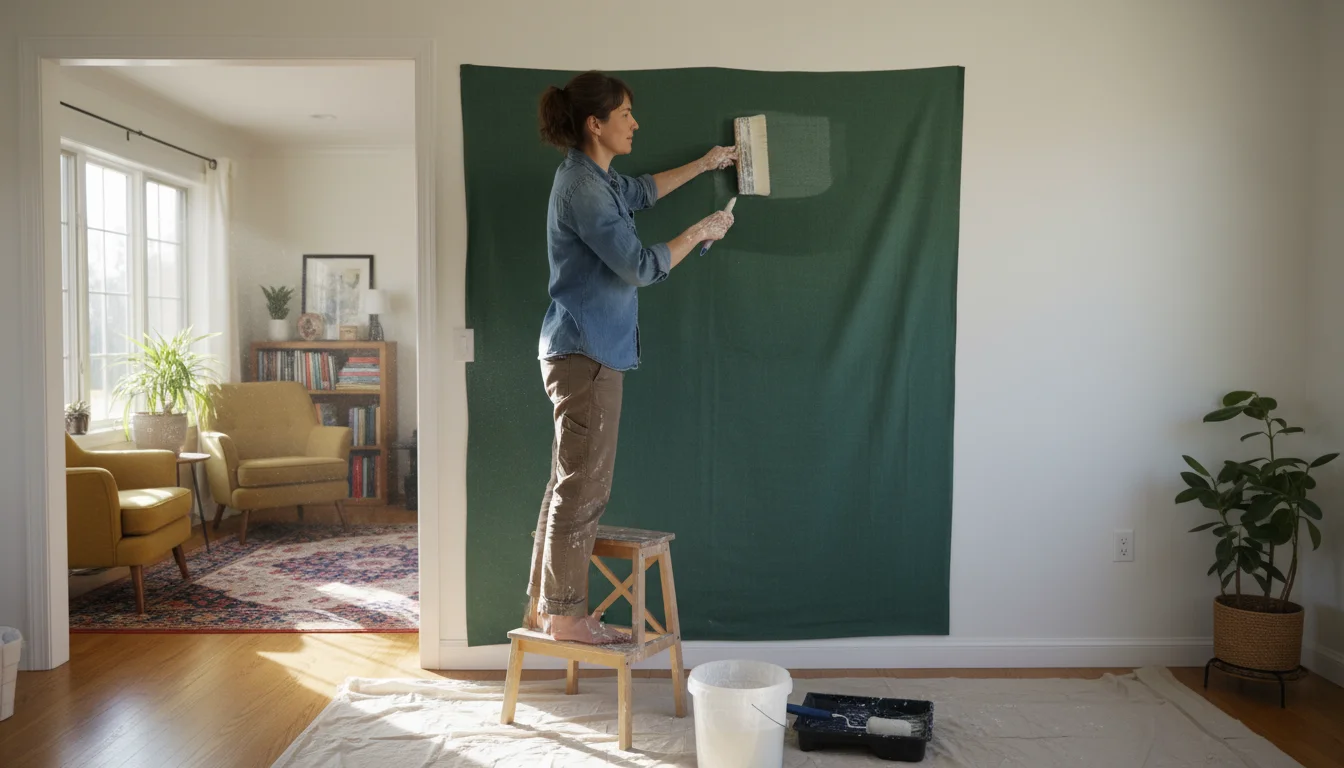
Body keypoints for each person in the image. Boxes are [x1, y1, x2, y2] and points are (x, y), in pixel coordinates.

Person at [525, 70, 736, 644]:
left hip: (584, 352)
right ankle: (565, 617)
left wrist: (707, 163)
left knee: (568, 482)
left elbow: (642, 191)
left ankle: (547, 610)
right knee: (582, 486)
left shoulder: (596, 178)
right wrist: (702, 230)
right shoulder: (583, 189)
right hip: (586, 355)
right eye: (624, 114)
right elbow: (639, 267)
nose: (635, 123)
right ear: (596, 124)